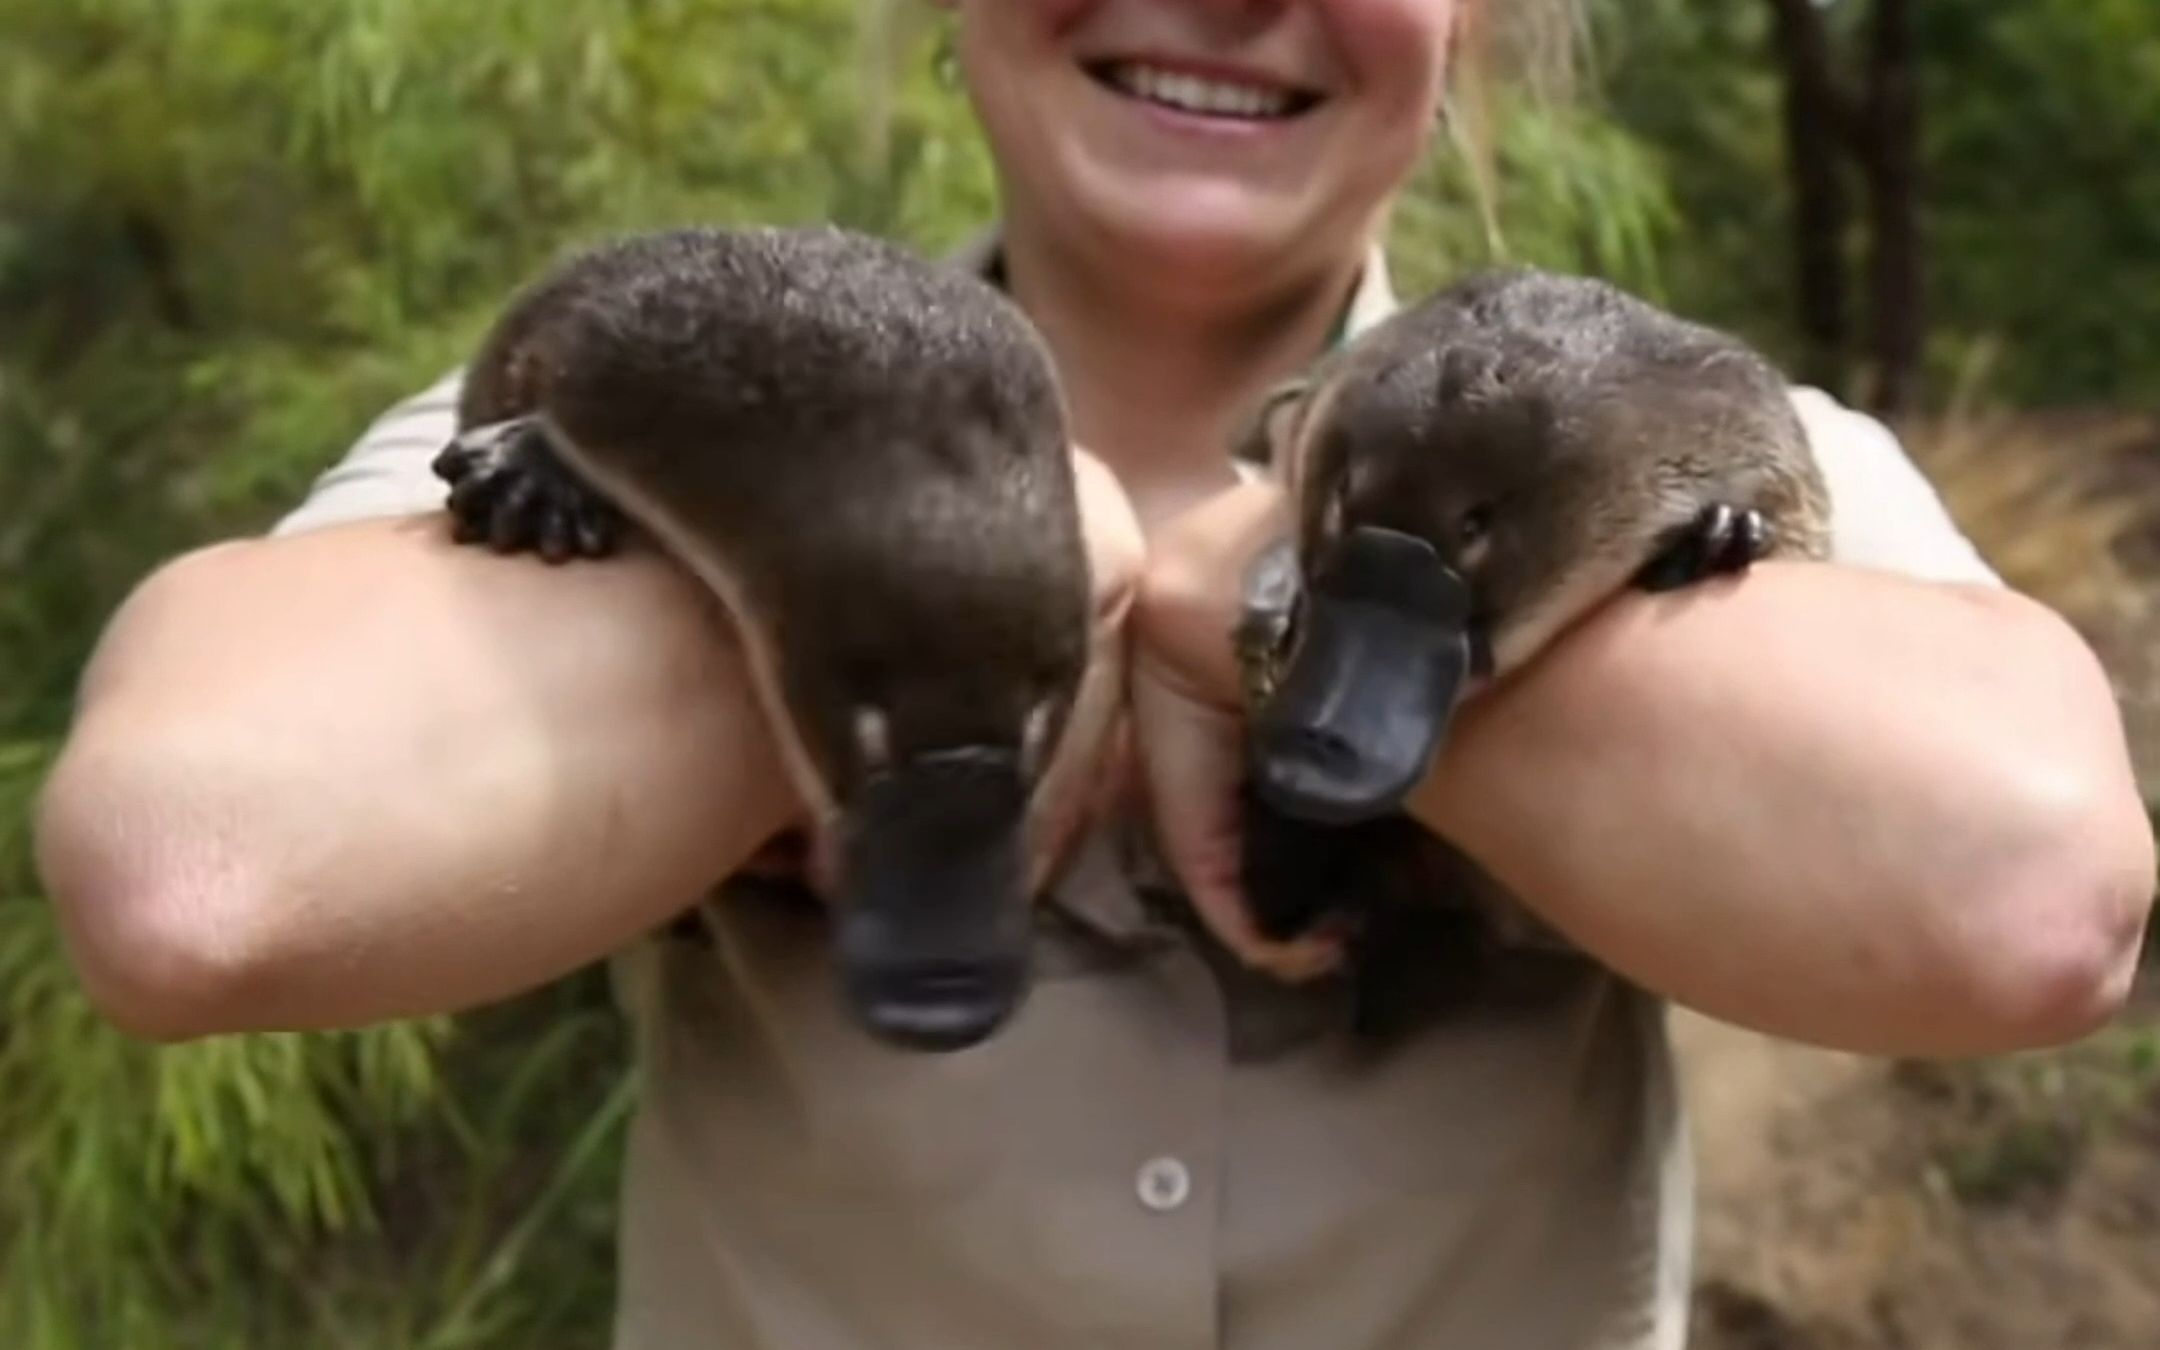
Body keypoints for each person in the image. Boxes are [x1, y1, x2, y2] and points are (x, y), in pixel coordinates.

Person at [33, 2, 2154, 1346]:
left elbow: (2035, 900)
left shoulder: (1711, 448)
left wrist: (1246, 599)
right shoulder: (623, 417)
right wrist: (1005, 581)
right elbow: (198, 874)